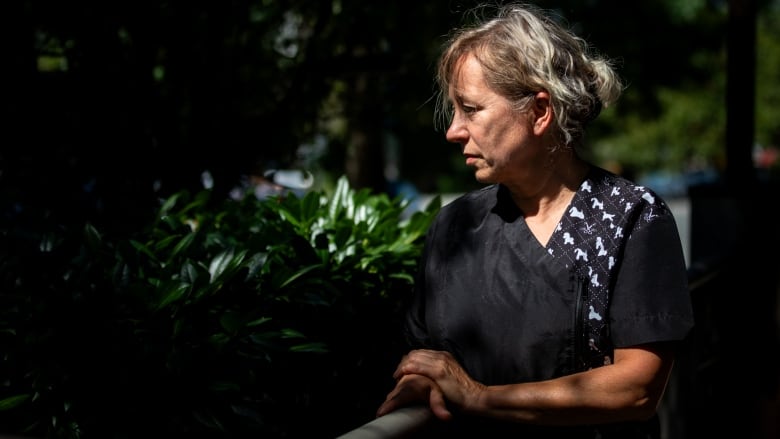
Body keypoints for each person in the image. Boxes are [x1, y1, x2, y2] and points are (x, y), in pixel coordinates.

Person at [375, 3, 695, 438]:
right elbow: (422, 354)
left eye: (471, 109)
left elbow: (636, 388)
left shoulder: (632, 218)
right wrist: (421, 380)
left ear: (540, 111)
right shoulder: (455, 227)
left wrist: (479, 396)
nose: (453, 130)